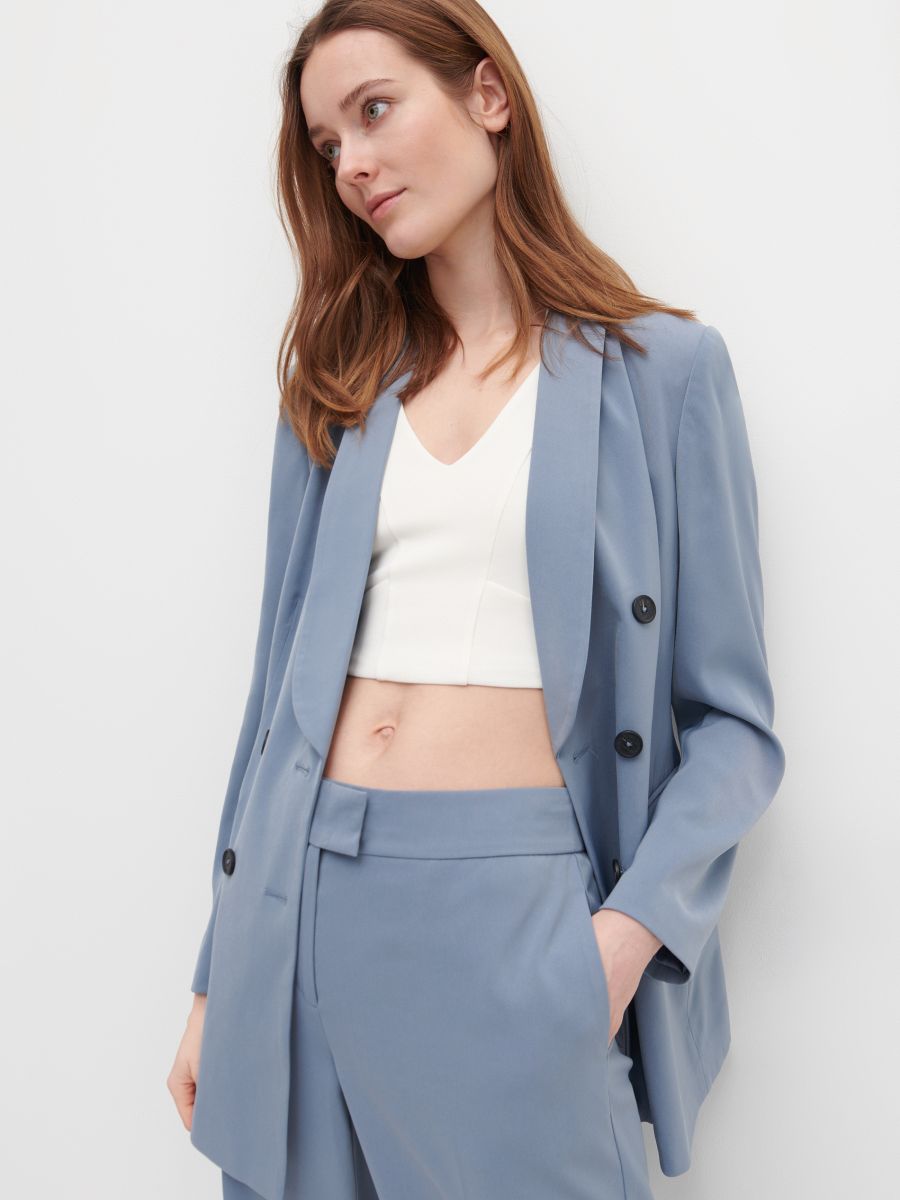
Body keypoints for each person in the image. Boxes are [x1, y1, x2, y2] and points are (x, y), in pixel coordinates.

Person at [167, 3, 786, 1198]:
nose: (351, 164)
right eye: (327, 144)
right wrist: (213, 978)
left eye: (374, 111)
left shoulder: (662, 375)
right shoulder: (340, 389)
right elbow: (273, 702)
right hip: (301, 911)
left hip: (518, 913)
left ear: (488, 96)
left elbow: (734, 726)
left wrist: (619, 943)